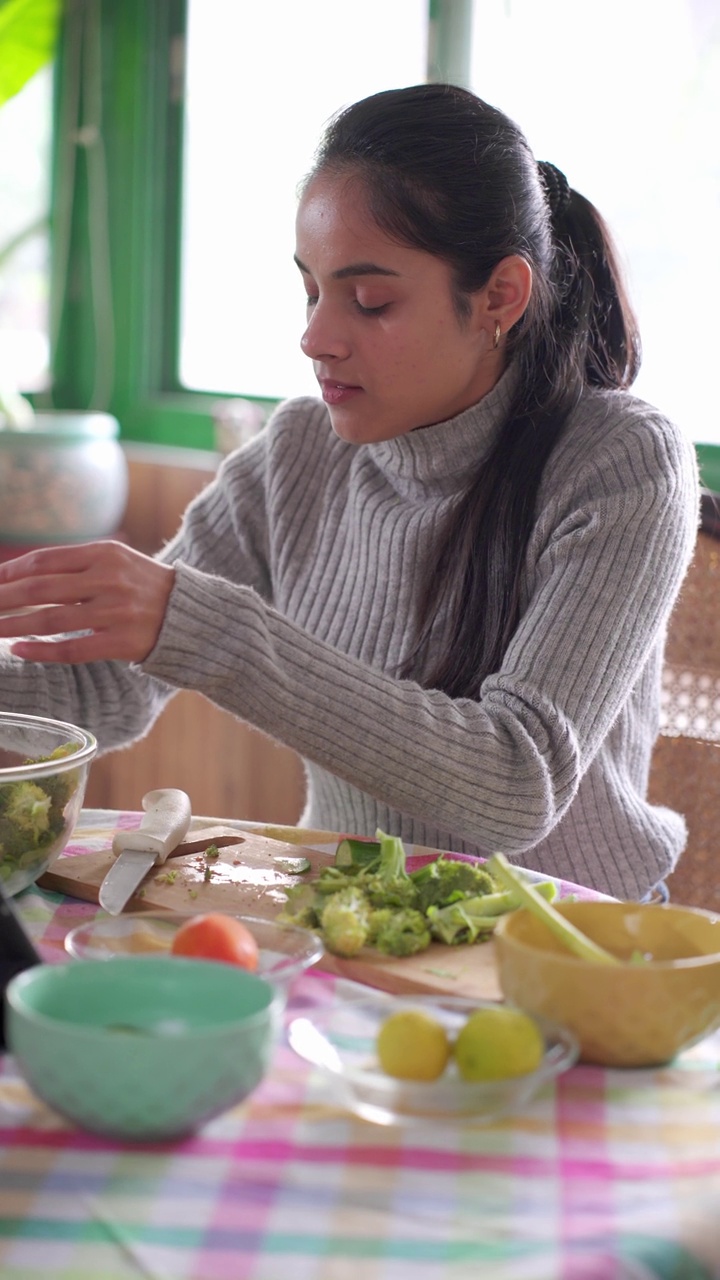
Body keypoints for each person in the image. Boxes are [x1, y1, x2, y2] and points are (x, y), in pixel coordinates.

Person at [0, 84, 699, 901]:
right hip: (350, 921)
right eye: (311, 289)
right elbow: (103, 690)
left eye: (371, 301)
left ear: (501, 296)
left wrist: (210, 630)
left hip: (568, 949)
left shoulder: (621, 461)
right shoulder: (297, 452)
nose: (315, 338)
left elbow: (516, 783)